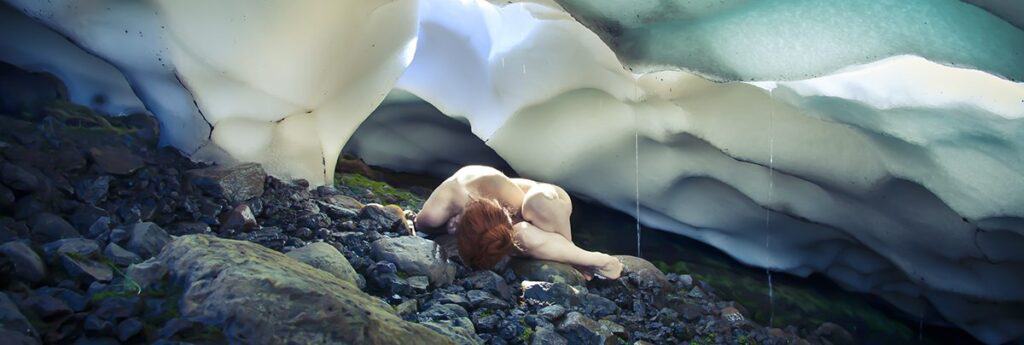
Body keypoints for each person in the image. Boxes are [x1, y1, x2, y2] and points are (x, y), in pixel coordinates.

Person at [414, 165, 623, 279]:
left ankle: (573, 257)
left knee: (537, 205)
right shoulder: (436, 212)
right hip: (509, 223)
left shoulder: (488, 181)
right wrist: (451, 228)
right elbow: (420, 226)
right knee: (523, 234)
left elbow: (525, 211)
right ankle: (590, 259)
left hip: (546, 203)